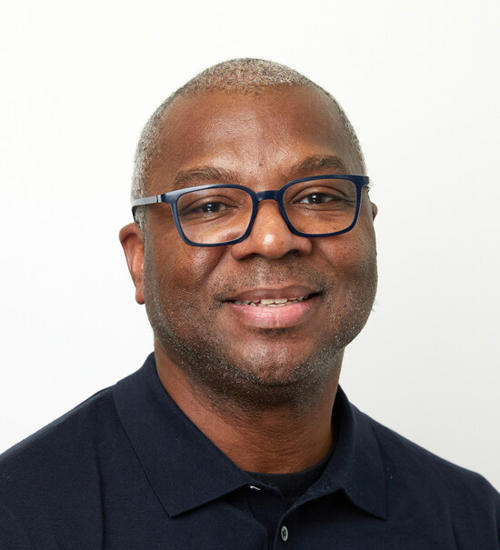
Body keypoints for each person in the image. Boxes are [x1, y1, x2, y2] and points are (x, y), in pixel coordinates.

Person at [0, 58, 498, 549]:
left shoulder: (472, 519)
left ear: (369, 228)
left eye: (319, 197)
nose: (272, 238)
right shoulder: (18, 516)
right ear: (140, 260)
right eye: (212, 205)